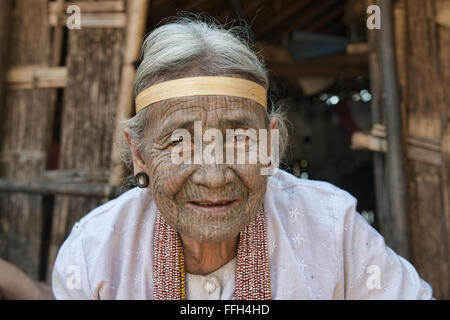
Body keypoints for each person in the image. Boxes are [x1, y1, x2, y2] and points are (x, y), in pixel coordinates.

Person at [51, 17, 433, 300]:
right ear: (139, 155)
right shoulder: (95, 252)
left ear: (269, 143)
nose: (214, 177)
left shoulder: (333, 228)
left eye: (238, 139)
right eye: (180, 144)